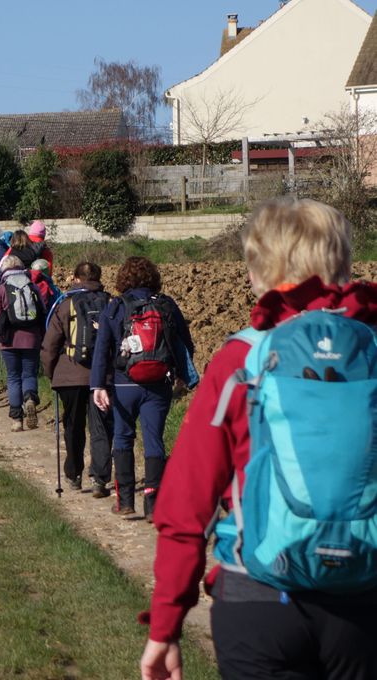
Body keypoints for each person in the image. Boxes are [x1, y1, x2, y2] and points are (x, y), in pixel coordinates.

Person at [140, 198, 377, 680]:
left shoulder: (241, 359)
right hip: (364, 604)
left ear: (260, 268)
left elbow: (187, 506)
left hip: (258, 600)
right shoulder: (372, 350)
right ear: (342, 261)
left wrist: (165, 625)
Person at [90, 256, 194, 518]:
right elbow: (185, 343)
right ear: (153, 278)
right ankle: (153, 505)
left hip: (124, 384)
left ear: (123, 279)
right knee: (153, 440)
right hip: (159, 383)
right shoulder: (166, 305)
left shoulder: (116, 307)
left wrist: (98, 385)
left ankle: (125, 501)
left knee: (123, 436)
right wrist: (182, 375)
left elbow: (102, 348)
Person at [41, 262, 113, 494]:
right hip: (102, 376)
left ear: (76, 279)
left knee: (73, 425)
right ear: (99, 277)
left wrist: (52, 373)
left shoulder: (65, 304)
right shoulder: (111, 304)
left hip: (69, 376)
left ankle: (74, 474)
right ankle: (100, 478)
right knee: (100, 426)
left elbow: (50, 345)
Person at [0, 255, 43, 431]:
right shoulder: (32, 287)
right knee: (29, 375)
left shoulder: (1, 289)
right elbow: (42, 314)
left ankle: (17, 420)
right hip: (32, 339)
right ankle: (30, 398)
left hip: (8, 341)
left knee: (14, 377)